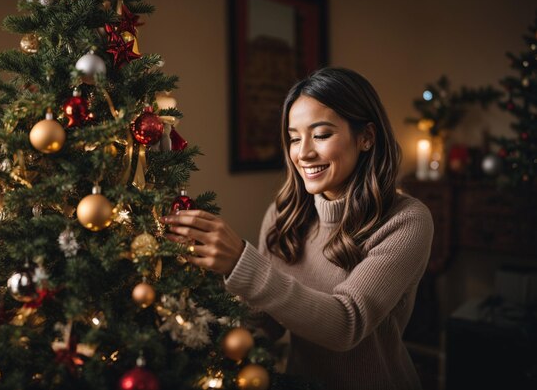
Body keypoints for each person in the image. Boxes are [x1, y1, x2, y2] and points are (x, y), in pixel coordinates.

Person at [162, 67, 433, 390]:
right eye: (294, 138)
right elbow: (264, 322)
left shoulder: (406, 220)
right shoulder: (284, 214)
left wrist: (240, 262)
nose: (303, 153)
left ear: (366, 137)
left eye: (320, 135)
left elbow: (346, 324)